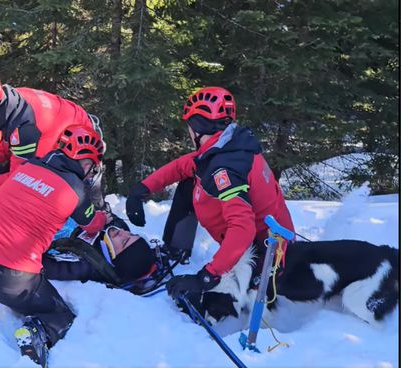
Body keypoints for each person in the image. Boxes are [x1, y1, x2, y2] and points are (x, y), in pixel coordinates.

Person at [0, 125, 110, 367]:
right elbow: (93, 225)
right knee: (60, 314)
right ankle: (36, 333)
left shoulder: (27, 168)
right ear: (85, 164)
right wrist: (104, 217)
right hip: (15, 281)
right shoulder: (76, 190)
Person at [124, 86, 295, 304]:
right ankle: (177, 250)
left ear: (197, 128)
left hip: (266, 255)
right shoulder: (228, 145)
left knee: (207, 304)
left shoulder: (225, 170)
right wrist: (142, 189)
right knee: (190, 181)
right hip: (269, 238)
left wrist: (208, 276)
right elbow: (183, 165)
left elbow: (242, 228)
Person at [0, 69, 113, 214]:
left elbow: (17, 180)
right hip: (69, 129)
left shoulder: (24, 128)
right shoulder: (11, 102)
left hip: (81, 147)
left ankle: (103, 220)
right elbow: (10, 142)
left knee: (84, 208)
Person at [43, 225, 157, 285]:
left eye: (124, 242)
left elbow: (42, 266)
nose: (122, 232)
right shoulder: (108, 238)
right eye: (131, 234)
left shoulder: (83, 265)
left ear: (115, 258)